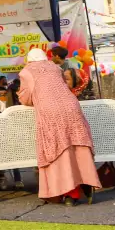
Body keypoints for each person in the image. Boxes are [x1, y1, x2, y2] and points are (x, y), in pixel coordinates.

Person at [18, 48, 100, 204]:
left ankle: (71, 193)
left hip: (51, 112)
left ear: (30, 59)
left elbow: (26, 97)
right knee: (78, 146)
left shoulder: (26, 72)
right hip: (72, 107)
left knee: (61, 151)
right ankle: (87, 184)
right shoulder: (56, 68)